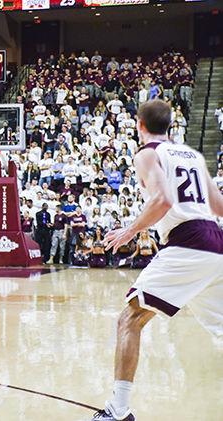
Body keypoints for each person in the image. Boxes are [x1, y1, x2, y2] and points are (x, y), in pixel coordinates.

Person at [91, 100, 223, 421]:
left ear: (139, 125)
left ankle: (118, 410)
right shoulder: (191, 155)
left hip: (187, 243)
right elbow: (219, 206)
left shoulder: (147, 154)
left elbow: (162, 201)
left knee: (129, 320)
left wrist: (130, 230)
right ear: (171, 125)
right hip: (216, 244)